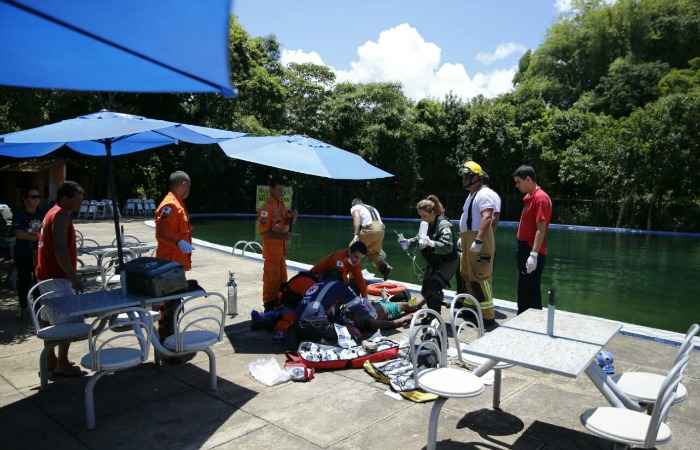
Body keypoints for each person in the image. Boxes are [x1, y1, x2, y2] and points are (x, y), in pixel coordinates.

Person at [35, 181, 85, 377]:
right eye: (78, 200)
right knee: (68, 322)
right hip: (57, 276)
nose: (80, 204)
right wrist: (73, 277)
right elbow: (60, 249)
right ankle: (62, 363)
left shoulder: (50, 213)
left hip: (45, 275)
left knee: (52, 321)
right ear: (67, 197)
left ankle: (50, 359)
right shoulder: (62, 214)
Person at [457, 161, 501, 327]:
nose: (463, 179)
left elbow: (488, 217)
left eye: (466, 176)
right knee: (467, 273)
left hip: (478, 239)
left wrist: (479, 240)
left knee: (481, 276)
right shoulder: (472, 195)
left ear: (476, 177)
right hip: (469, 237)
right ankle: (473, 309)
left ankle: (488, 315)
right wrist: (464, 236)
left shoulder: (485, 194)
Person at [399, 195, 458, 313]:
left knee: (433, 286)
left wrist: (431, 243)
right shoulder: (426, 224)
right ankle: (416, 307)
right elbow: (419, 237)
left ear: (433, 213)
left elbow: (448, 247)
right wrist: (408, 242)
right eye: (420, 216)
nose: (422, 219)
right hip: (434, 262)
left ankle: (435, 316)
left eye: (424, 216)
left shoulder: (444, 225)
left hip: (448, 262)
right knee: (425, 288)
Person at [155, 170, 193, 341]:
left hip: (175, 264)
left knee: (174, 304)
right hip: (169, 265)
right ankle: (168, 343)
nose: (189, 190)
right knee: (170, 306)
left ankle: (170, 339)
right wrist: (179, 242)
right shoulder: (170, 205)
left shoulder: (178, 203)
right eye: (189, 186)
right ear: (183, 184)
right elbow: (162, 231)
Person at [513, 165, 552, 314]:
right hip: (524, 248)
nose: (517, 186)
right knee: (523, 288)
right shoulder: (529, 197)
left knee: (532, 289)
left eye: (518, 182)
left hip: (531, 250)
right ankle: (522, 318)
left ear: (528, 179)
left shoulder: (540, 198)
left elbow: (541, 229)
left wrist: (534, 255)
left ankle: (534, 322)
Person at [258, 179, 296, 311]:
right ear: (272, 189)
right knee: (271, 281)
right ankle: (268, 306)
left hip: (281, 253)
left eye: (283, 190)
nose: (282, 193)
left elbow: (286, 223)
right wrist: (284, 236)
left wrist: (292, 218)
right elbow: (264, 233)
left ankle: (280, 303)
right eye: (279, 190)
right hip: (271, 253)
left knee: (282, 281)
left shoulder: (282, 206)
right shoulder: (266, 208)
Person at [13, 188, 44, 319]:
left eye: (38, 196)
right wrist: (38, 237)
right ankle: (23, 306)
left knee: (39, 280)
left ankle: (39, 309)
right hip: (23, 252)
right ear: (25, 199)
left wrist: (32, 236)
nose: (36, 199)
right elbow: (18, 234)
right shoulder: (20, 214)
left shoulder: (42, 213)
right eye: (33, 196)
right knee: (24, 280)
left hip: (39, 253)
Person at [350, 199, 392, 280]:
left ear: (353, 204)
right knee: (373, 253)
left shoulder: (355, 207)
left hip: (370, 228)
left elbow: (357, 218)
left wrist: (356, 234)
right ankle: (385, 267)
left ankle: (352, 276)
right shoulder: (371, 207)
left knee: (353, 249)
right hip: (381, 230)